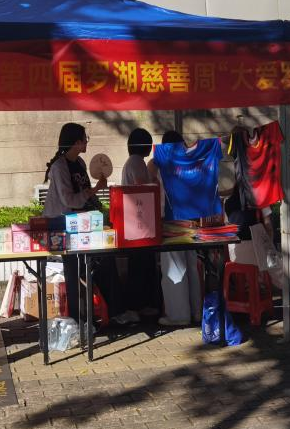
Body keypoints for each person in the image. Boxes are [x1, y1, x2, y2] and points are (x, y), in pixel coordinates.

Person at [43, 123, 108, 320]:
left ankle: (95, 313)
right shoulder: (59, 167)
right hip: (62, 223)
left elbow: (85, 192)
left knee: (93, 265)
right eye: (84, 139)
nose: (87, 142)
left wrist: (100, 207)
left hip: (81, 222)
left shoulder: (79, 162)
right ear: (76, 142)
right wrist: (96, 190)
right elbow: (69, 200)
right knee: (73, 268)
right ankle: (77, 318)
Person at [148, 131, 203, 326]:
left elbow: (148, 179)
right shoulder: (188, 163)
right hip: (190, 220)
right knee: (191, 267)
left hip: (170, 221)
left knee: (174, 268)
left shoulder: (158, 163)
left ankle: (179, 316)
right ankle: (196, 312)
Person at [116, 128, 159, 324]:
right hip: (139, 223)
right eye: (148, 144)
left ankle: (142, 305)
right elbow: (143, 187)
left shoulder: (133, 161)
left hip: (138, 223)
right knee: (140, 265)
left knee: (141, 264)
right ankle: (138, 305)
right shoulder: (136, 162)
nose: (150, 148)